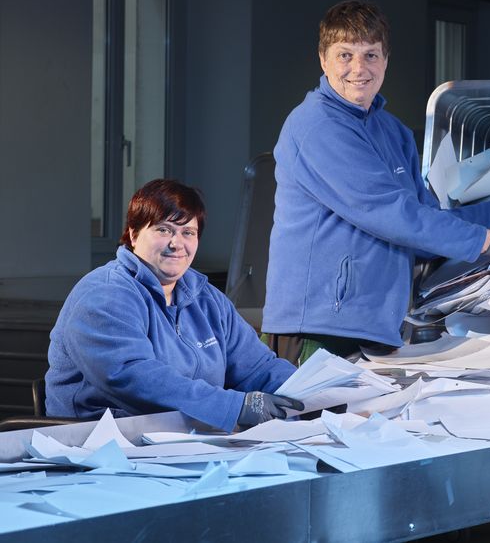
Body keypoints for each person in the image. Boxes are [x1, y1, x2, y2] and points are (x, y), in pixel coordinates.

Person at [262, 0, 490, 364]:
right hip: (317, 329)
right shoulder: (318, 127)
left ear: (385, 60)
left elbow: (425, 223)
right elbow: (392, 214)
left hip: (377, 327)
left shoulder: (393, 132)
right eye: (345, 55)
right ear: (323, 60)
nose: (358, 68)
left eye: (371, 55)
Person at [45, 179, 303, 432]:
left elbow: (257, 367)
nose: (177, 243)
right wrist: (235, 406)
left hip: (183, 438)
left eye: (188, 232)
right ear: (134, 235)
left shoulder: (207, 299)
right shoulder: (105, 294)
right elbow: (132, 377)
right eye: (164, 230)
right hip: (101, 441)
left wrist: (310, 393)